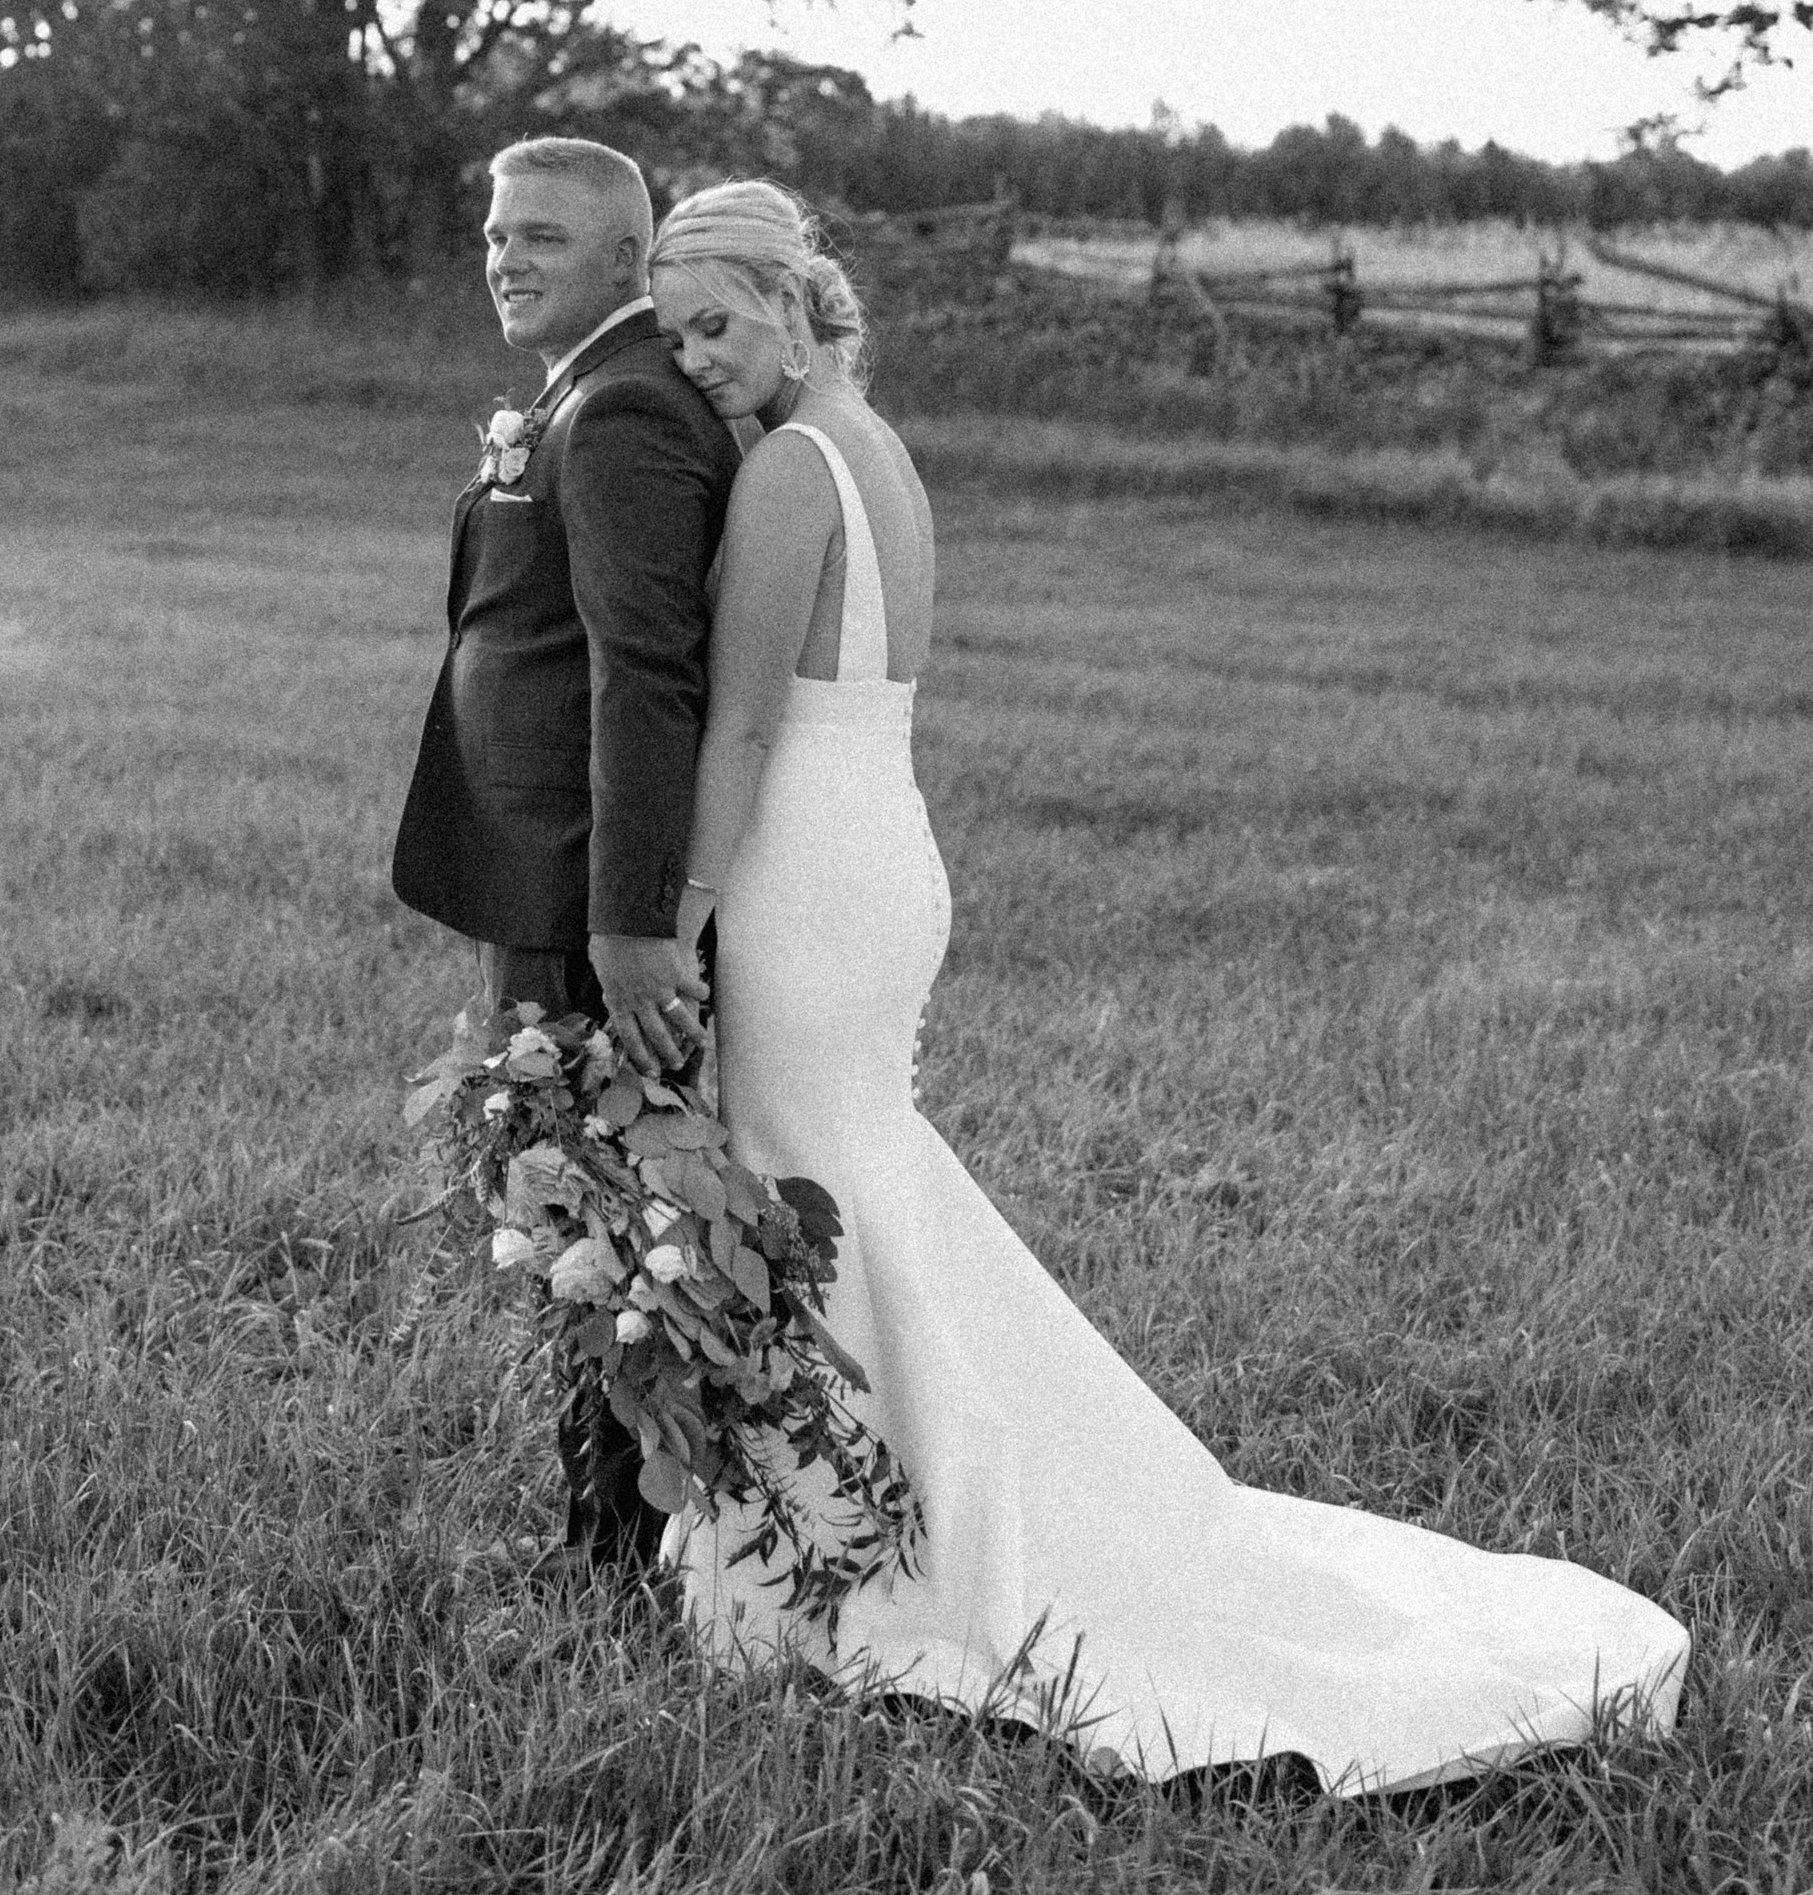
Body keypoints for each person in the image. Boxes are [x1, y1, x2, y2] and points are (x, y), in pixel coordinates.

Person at [646, 177, 1689, 1795]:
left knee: (807, 1185)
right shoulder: (879, 447)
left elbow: (737, 726)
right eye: (672, 333)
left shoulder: (791, 467)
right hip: (879, 844)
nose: (695, 356)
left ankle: (888, 1550)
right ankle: (879, 1514)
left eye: (716, 322)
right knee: (852, 1182)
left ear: (795, 302)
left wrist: (682, 905)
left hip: (802, 872)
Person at [394, 134, 738, 1572]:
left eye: (540, 233)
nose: (504, 255)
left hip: (580, 890)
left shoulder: (623, 413)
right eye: (492, 231)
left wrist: (628, 920)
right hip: (538, 869)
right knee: (572, 1205)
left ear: (623, 258)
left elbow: (643, 674)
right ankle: (612, 1533)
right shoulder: (581, 392)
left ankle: (614, 1556)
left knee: (598, 1216)